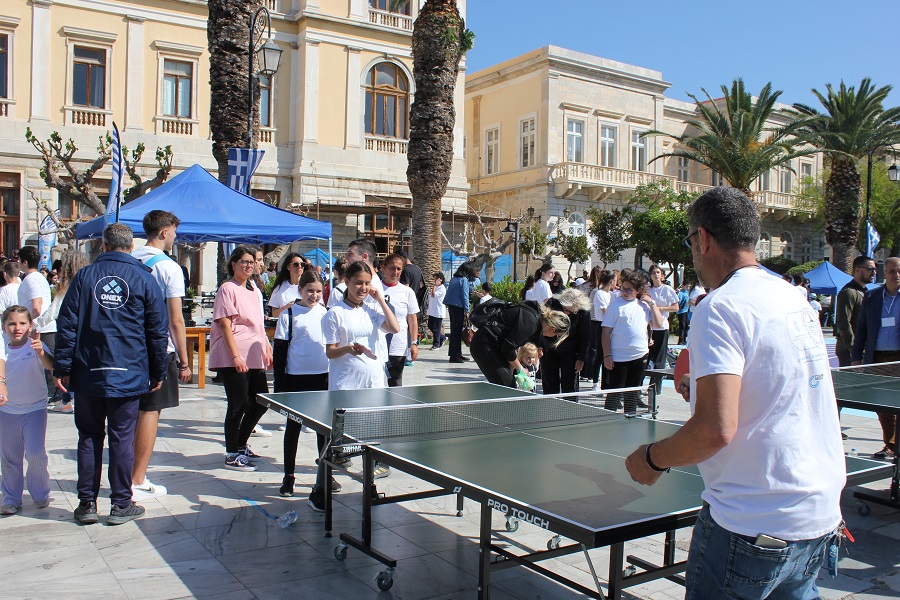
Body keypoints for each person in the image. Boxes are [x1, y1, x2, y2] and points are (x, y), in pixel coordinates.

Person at [624, 187, 845, 598]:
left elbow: (714, 429)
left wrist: (652, 459)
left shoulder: (719, 306)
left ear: (704, 239)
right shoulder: (795, 297)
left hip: (751, 523)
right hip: (818, 516)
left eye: (691, 242)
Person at [54, 223, 169, 525]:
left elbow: (66, 326)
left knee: (89, 437)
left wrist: (62, 367)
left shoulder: (85, 277)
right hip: (127, 373)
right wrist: (158, 371)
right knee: (121, 439)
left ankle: (87, 504)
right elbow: (157, 332)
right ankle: (120, 503)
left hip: (89, 371)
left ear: (103, 246)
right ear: (130, 248)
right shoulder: (144, 278)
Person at [318, 260, 400, 495]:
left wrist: (380, 299)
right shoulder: (334, 314)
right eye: (358, 283)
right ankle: (321, 486)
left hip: (372, 383)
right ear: (347, 282)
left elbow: (394, 328)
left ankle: (369, 486)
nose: (363, 288)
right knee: (335, 443)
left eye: (366, 283)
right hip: (346, 384)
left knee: (370, 438)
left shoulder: (371, 310)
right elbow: (330, 352)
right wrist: (347, 349)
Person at [129, 211, 193, 500]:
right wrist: (185, 360)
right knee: (149, 411)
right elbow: (176, 319)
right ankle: (137, 479)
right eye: (174, 232)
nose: (175, 237)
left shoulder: (128, 259)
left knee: (126, 414)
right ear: (165, 232)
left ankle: (123, 476)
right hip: (156, 349)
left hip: (125, 348)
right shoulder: (169, 268)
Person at [208, 246, 273, 472]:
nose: (248, 265)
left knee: (260, 401)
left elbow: (258, 323)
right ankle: (232, 452)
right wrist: (235, 355)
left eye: (251, 262)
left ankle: (241, 443)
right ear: (233, 264)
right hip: (234, 354)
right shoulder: (227, 288)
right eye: (243, 261)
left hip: (254, 354)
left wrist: (266, 345)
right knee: (237, 404)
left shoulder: (254, 289)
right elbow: (225, 324)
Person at [271, 270, 334, 500]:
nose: (314, 295)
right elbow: (280, 351)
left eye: (318, 291)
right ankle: (289, 476)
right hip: (296, 379)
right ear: (300, 290)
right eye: (309, 291)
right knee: (293, 428)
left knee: (323, 430)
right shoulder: (288, 314)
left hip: (323, 377)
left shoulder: (326, 313)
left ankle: (324, 474)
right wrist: (280, 383)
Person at [0, 306, 54, 515]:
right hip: (7, 411)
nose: (17, 328)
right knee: (10, 457)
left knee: (35, 453)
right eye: (11, 324)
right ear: (3, 326)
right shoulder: (2, 350)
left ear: (30, 325)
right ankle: (11, 498)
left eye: (22, 323)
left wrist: (40, 351)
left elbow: (50, 366)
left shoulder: (36, 345)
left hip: (35, 409)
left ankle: (40, 493)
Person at [851, 256, 900, 460]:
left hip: (898, 360)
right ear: (884, 273)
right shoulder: (872, 296)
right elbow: (861, 328)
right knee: (882, 405)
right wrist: (856, 357)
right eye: (892, 271)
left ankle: (895, 445)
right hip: (877, 359)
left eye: (899, 271)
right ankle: (891, 444)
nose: (896, 275)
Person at [601, 270, 664, 411]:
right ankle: (607, 419)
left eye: (629, 290)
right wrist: (607, 355)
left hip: (639, 355)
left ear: (638, 290)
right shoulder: (615, 305)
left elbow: (658, 324)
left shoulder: (643, 305)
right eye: (623, 288)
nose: (625, 292)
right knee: (615, 393)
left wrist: (652, 303)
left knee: (632, 393)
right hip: (619, 357)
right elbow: (605, 332)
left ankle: (630, 418)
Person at [35, 250, 89, 413]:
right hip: (87, 335)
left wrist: (35, 323)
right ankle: (75, 398)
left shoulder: (67, 287)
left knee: (67, 365)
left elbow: (52, 312)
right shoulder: (89, 284)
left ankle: (68, 399)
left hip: (68, 333)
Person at [470, 300, 570, 388]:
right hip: (484, 345)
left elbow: (511, 343)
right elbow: (508, 348)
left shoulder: (534, 316)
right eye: (556, 335)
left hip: (493, 345)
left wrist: (513, 366)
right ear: (552, 329)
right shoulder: (531, 323)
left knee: (509, 385)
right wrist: (521, 368)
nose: (553, 337)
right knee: (507, 387)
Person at [17, 246, 56, 403]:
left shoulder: (31, 279)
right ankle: (61, 396)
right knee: (47, 364)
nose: (18, 263)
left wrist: (27, 324)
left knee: (43, 364)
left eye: (19, 260)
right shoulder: (38, 277)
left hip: (39, 329)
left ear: (25, 262)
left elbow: (37, 306)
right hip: (44, 327)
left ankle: (62, 396)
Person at [380, 253, 419, 387]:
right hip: (377, 345)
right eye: (392, 268)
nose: (395, 272)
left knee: (395, 383)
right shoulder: (375, 289)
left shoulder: (407, 292)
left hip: (398, 345)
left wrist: (414, 343)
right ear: (383, 267)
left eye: (398, 269)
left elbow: (412, 320)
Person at [541, 289, 591, 394]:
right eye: (564, 309)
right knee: (550, 383)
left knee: (569, 385)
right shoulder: (552, 303)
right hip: (549, 348)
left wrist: (581, 358)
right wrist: (538, 346)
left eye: (569, 311)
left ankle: (570, 404)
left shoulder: (583, 312)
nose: (566, 313)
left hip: (571, 351)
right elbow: (540, 327)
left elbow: (585, 337)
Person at [835, 255, 876, 367]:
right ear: (857, 270)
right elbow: (844, 323)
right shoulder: (849, 293)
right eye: (870, 269)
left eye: (875, 269)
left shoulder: (864, 292)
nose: (874, 273)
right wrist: (853, 349)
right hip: (849, 350)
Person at [646, 265, 680, 394]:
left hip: (662, 327)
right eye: (653, 273)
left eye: (658, 272)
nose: (656, 275)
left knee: (659, 358)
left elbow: (675, 307)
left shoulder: (667, 289)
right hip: (649, 326)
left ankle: (655, 387)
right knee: (649, 357)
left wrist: (659, 309)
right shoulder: (648, 290)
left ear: (662, 275)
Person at [443, 263, 476, 363]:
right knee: (457, 332)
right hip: (459, 307)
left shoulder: (454, 279)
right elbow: (465, 295)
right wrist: (467, 310)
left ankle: (457, 353)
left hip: (451, 306)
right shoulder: (463, 280)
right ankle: (454, 355)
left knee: (454, 331)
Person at [589, 270, 615, 391]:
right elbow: (605, 311)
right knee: (600, 355)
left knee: (609, 354)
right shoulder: (599, 294)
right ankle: (595, 383)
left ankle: (607, 383)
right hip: (601, 325)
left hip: (611, 326)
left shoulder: (611, 294)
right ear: (611, 281)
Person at [268, 253, 305, 318]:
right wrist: (286, 307)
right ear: (288, 267)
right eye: (296, 264)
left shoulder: (309, 286)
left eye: (302, 264)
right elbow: (274, 314)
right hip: (286, 322)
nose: (299, 266)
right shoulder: (279, 288)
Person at [427, 272, 447, 350]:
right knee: (430, 325)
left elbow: (433, 295)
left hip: (438, 311)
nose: (435, 280)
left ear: (441, 280)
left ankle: (436, 344)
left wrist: (435, 286)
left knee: (436, 328)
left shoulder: (442, 288)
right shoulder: (436, 288)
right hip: (432, 310)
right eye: (434, 279)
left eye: (437, 279)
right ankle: (442, 338)